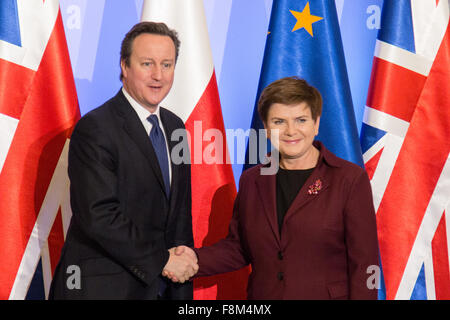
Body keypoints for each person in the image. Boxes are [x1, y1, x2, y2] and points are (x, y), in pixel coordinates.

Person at [167, 77, 379, 299]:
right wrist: (191, 260)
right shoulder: (252, 181)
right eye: (279, 122)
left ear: (316, 124)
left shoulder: (349, 179)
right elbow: (239, 248)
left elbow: (366, 264)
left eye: (301, 120)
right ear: (267, 129)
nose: (290, 131)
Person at [49, 22, 198, 300]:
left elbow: (179, 211)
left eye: (167, 64)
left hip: (165, 287)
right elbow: (99, 215)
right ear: (125, 67)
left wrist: (182, 258)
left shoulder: (176, 127)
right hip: (106, 288)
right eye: (147, 64)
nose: (158, 75)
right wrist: (162, 261)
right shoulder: (95, 128)